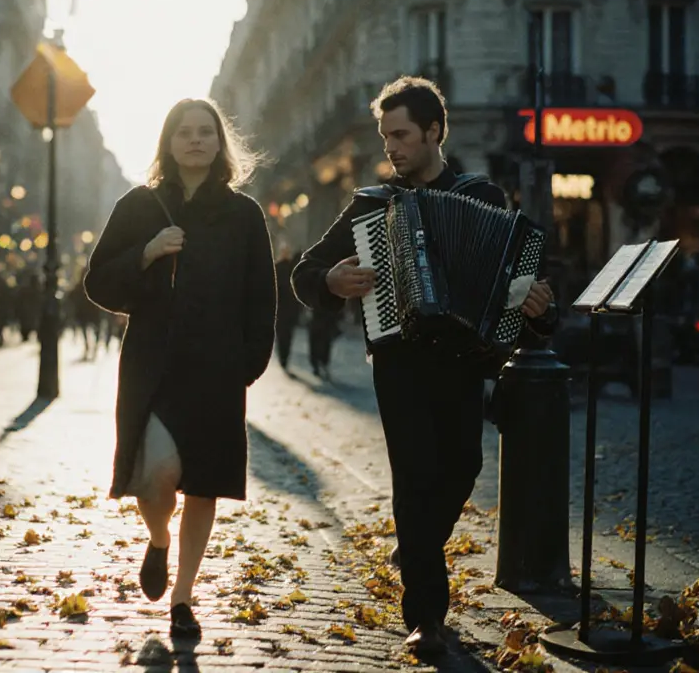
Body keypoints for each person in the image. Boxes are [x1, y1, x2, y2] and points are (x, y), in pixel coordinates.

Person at [291, 76, 559, 657]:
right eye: (386, 135)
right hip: (400, 362)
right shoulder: (370, 205)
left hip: (463, 362)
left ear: (435, 132)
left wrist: (541, 306)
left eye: (402, 134)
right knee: (414, 479)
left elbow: (518, 293)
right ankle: (426, 617)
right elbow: (305, 271)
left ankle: (414, 547)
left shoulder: (482, 198)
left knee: (462, 466)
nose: (391, 146)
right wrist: (332, 281)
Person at [83, 98, 276, 639]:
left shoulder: (244, 215)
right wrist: (145, 254)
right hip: (153, 365)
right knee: (155, 475)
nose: (195, 140)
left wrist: (247, 365)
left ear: (220, 144)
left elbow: (262, 298)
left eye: (205, 132)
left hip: (217, 371)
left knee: (204, 485)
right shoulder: (139, 206)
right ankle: (159, 540)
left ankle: (184, 599)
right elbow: (97, 283)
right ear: (168, 143)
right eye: (184, 132)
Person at [274, 246, 302, 374]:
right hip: (289, 308)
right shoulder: (293, 268)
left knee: (282, 334)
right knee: (287, 334)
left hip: (280, 307)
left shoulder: (277, 267)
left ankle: (283, 357)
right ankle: (284, 357)